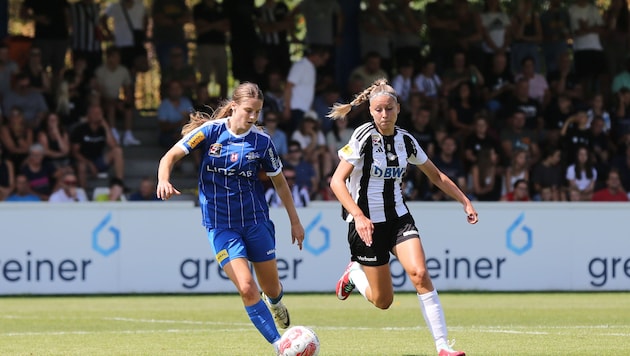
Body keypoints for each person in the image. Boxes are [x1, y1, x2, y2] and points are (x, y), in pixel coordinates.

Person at [327, 78, 478, 356]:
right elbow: (336, 182)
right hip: (366, 224)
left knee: (420, 274)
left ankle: (443, 346)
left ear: (398, 109)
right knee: (383, 301)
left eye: (389, 109)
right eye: (378, 110)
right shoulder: (362, 137)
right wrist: (359, 216)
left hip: (398, 217)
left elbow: (436, 175)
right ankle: (354, 273)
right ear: (371, 111)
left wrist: (464, 200)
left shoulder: (406, 140)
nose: (384, 115)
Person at [155, 82, 305, 354]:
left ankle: (275, 302)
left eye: (257, 112)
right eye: (248, 110)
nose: (252, 117)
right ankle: (279, 344)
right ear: (234, 106)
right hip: (221, 225)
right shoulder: (210, 132)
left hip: (256, 221)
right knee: (247, 288)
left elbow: (280, 183)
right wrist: (163, 179)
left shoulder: (262, 142)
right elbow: (171, 155)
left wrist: (295, 221)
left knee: (271, 288)